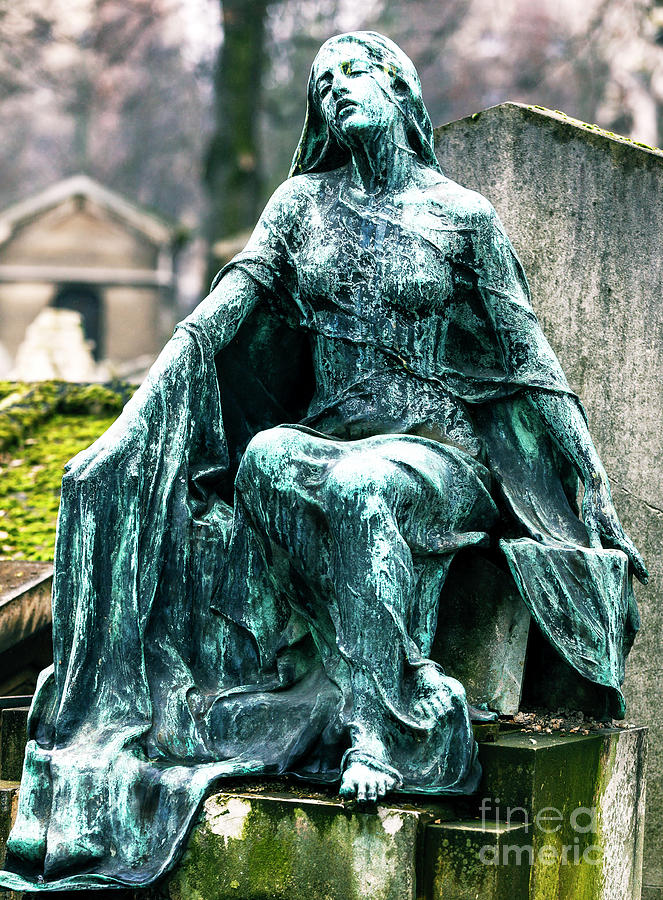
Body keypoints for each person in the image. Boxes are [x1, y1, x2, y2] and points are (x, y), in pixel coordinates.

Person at [0, 31, 646, 893]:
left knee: (361, 483)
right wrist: (142, 411)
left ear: (400, 88)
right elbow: (223, 309)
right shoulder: (301, 203)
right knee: (266, 456)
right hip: (328, 440)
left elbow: (529, 365)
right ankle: (338, 687)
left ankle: (384, 729)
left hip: (438, 457)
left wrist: (590, 487)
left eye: (355, 72)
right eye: (323, 82)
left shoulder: (461, 217)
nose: (338, 90)